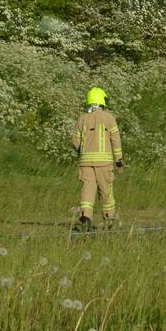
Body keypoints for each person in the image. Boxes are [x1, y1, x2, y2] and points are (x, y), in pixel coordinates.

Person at [72, 87, 123, 230]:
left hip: (85, 163)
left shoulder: (82, 119)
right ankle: (109, 220)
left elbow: (75, 141)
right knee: (106, 192)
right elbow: (116, 141)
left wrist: (82, 152)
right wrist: (119, 160)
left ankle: (85, 216)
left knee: (87, 191)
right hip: (104, 164)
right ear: (102, 101)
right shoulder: (109, 118)